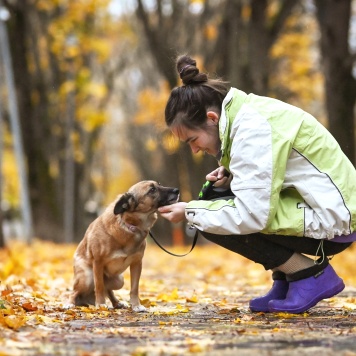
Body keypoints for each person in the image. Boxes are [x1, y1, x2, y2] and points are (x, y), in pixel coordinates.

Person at [158, 54, 356, 314]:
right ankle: (287, 280)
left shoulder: (253, 130)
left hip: (334, 221)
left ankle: (308, 274)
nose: (195, 149)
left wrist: (189, 211)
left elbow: (253, 215)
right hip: (323, 207)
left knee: (205, 215)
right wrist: (229, 179)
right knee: (213, 202)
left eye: (192, 140)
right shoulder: (246, 118)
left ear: (212, 118)